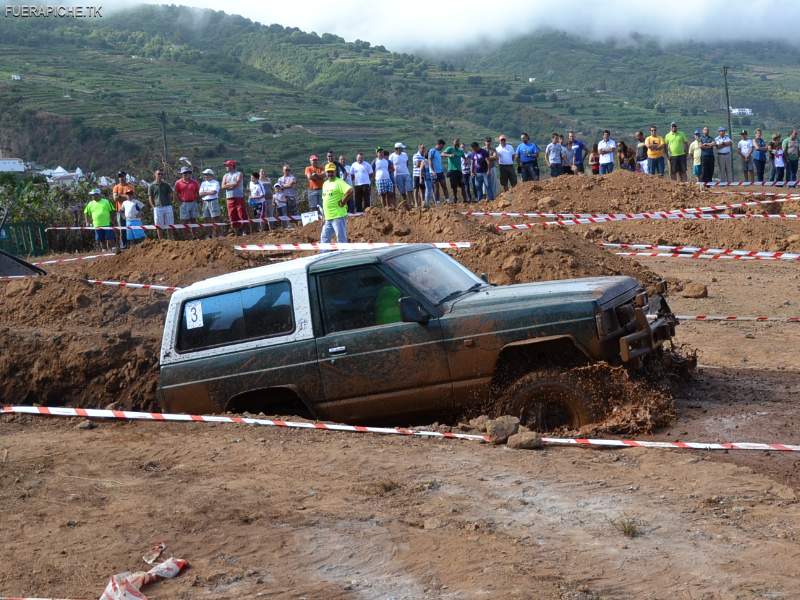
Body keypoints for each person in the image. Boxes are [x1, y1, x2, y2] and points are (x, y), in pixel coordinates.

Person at [320, 162, 353, 248]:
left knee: (341, 240)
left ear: (335, 172)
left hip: (338, 216)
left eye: (332, 171)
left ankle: (343, 257)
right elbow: (324, 200)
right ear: (325, 172)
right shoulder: (325, 184)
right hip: (328, 218)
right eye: (328, 172)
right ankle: (323, 257)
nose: (330, 173)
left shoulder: (339, 182)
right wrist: (323, 216)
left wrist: (343, 202)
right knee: (324, 239)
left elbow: (350, 190)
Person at [147, 168, 174, 240]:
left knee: (170, 224)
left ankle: (171, 240)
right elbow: (150, 197)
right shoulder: (151, 186)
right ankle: (161, 241)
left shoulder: (166, 185)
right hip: (157, 207)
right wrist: (153, 207)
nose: (160, 175)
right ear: (155, 175)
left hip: (167, 206)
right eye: (159, 174)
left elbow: (171, 194)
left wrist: (171, 202)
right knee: (159, 225)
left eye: (161, 174)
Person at [221, 159, 246, 236]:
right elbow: (222, 186)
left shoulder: (239, 174)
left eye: (227, 165)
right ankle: (236, 232)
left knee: (241, 213)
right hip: (229, 198)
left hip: (239, 197)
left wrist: (228, 185)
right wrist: (231, 185)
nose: (226, 167)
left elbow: (237, 184)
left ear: (232, 166)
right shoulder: (225, 175)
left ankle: (244, 231)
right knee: (232, 215)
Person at [174, 166, 200, 239]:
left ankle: (194, 236)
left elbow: (197, 192)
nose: (185, 174)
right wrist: (179, 203)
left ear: (190, 173)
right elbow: (175, 193)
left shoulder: (194, 182)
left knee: (193, 220)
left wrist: (197, 201)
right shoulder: (178, 183)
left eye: (187, 173)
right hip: (184, 203)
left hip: (193, 202)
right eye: (184, 173)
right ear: (181, 174)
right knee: (184, 221)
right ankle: (187, 237)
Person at [112, 171, 134, 250]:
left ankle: (132, 245)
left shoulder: (129, 186)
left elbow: (130, 197)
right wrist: (125, 195)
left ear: (125, 176)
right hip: (120, 211)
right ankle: (124, 245)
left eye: (122, 176)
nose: (121, 178)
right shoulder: (116, 187)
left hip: (129, 211)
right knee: (122, 229)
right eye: (119, 176)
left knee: (130, 228)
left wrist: (120, 195)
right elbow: (115, 198)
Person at [443, 138, 467, 203]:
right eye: (456, 142)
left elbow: (464, 157)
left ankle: (465, 199)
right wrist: (449, 155)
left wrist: (465, 161)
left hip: (459, 170)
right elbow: (442, 154)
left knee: (462, 185)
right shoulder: (450, 148)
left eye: (458, 142)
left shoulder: (460, 151)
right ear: (453, 142)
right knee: (454, 186)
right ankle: (455, 199)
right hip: (452, 170)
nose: (457, 143)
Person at [199, 168, 221, 235]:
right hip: (205, 202)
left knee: (215, 218)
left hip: (213, 201)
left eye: (207, 174)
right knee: (206, 219)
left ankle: (216, 234)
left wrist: (205, 192)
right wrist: (208, 192)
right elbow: (200, 193)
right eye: (205, 175)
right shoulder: (203, 183)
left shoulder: (216, 182)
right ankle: (209, 235)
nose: (205, 176)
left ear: (211, 175)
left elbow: (214, 192)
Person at [389, 143, 412, 207]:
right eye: (401, 148)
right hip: (397, 175)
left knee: (409, 189)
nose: (402, 149)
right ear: (398, 148)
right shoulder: (391, 156)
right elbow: (390, 165)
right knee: (402, 191)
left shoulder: (405, 154)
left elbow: (407, 163)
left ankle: (411, 203)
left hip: (406, 173)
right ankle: (405, 203)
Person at [428, 139, 449, 203]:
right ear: (439, 144)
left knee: (444, 186)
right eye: (442, 146)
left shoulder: (438, 152)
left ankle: (447, 200)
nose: (442, 148)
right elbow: (430, 160)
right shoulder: (432, 151)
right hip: (434, 173)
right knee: (436, 188)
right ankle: (437, 202)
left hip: (440, 172)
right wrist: (433, 171)